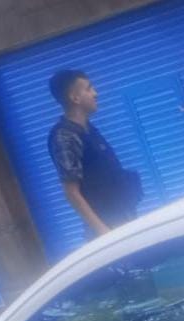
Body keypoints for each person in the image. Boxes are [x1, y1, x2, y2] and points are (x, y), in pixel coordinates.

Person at [47, 69, 141, 238]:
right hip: (108, 227)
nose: (95, 94)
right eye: (89, 89)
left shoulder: (88, 129)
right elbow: (71, 192)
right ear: (75, 98)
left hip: (123, 217)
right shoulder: (65, 136)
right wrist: (102, 230)